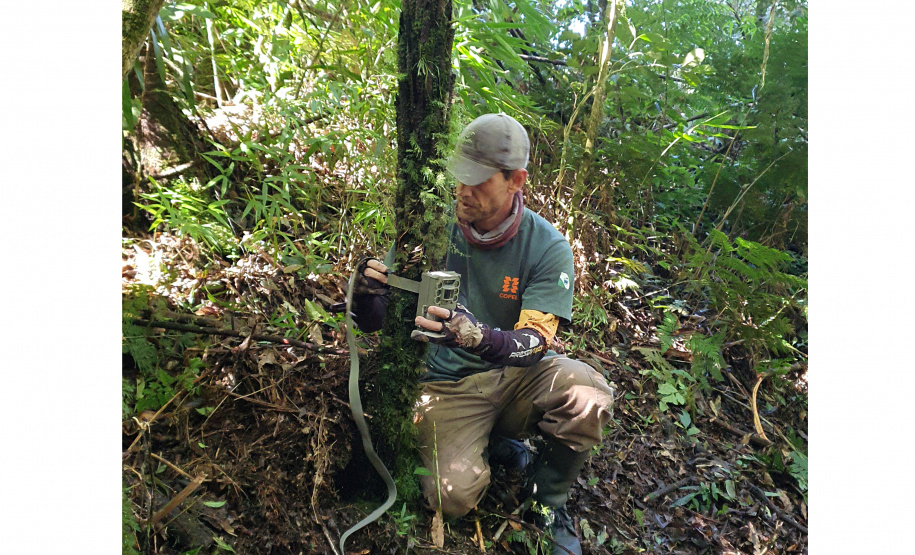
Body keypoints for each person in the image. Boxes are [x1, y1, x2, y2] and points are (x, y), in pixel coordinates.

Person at [352, 113, 615, 555]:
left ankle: (547, 504)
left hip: (512, 374)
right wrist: (364, 297)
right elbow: (381, 322)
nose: (463, 191)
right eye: (460, 177)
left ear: (516, 180)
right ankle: (496, 443)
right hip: (445, 385)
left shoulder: (546, 247)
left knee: (589, 392)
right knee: (451, 497)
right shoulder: (431, 226)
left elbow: (535, 341)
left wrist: (478, 336)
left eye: (479, 181)